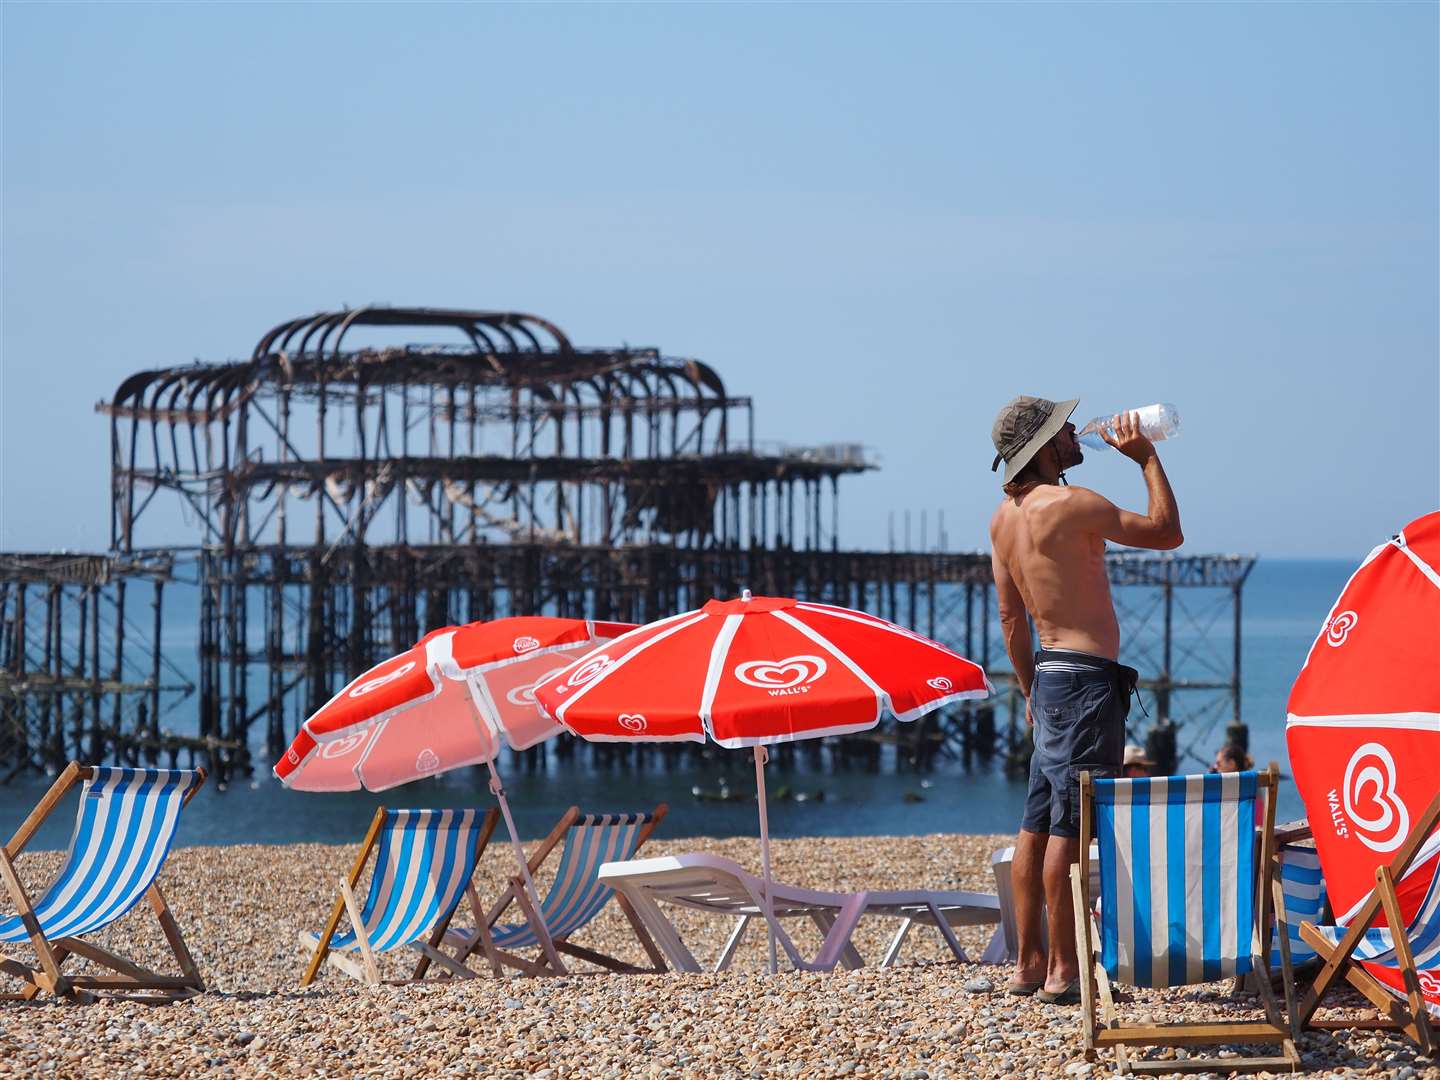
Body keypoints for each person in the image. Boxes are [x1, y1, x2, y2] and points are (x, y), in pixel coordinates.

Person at [988, 395, 1183, 1004]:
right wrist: (1146, 458)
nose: (1077, 433)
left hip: (1048, 677)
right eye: (1063, 429)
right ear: (1046, 448)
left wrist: (1028, 691)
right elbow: (1167, 532)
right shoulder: (1074, 505)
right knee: (1072, 825)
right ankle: (1065, 970)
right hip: (1089, 680)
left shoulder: (1002, 518)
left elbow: (1010, 620)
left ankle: (1026, 964)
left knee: (1037, 822)